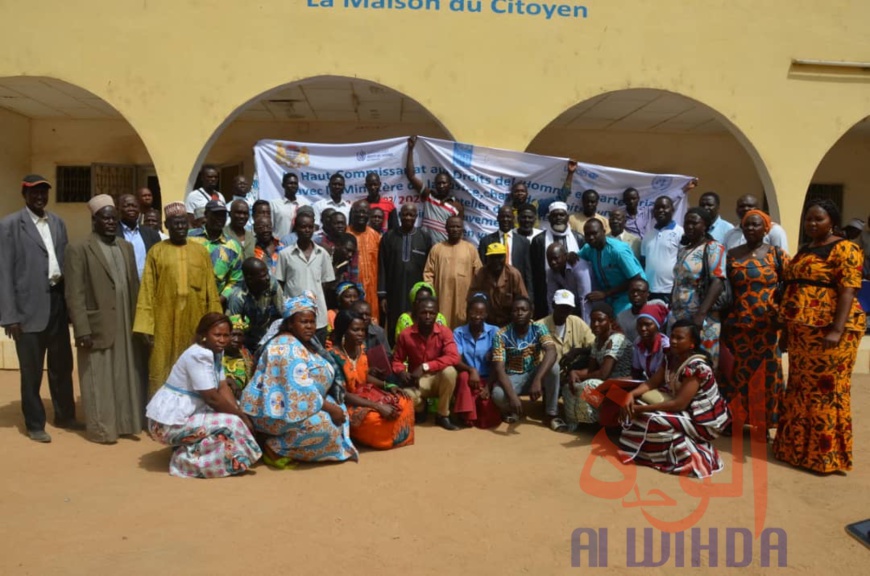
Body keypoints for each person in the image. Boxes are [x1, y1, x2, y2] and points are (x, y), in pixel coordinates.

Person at [774, 198, 865, 474]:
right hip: (803, 333)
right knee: (800, 389)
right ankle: (795, 449)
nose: (812, 224)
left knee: (826, 390)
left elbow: (848, 290)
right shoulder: (805, 250)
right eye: (809, 219)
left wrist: (836, 330)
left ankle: (824, 456)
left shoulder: (845, 248)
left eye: (818, 219)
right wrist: (788, 333)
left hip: (831, 332)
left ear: (832, 222)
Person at [0, 174, 78, 442]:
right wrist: (9, 316)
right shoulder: (10, 225)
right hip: (27, 310)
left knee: (62, 366)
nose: (39, 197)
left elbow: (66, 264)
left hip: (57, 302)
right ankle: (34, 424)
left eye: (43, 192)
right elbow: (4, 273)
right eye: (34, 193)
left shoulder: (58, 222)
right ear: (24, 195)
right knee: (31, 372)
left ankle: (65, 415)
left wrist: (70, 305)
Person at [242, 293, 359, 466]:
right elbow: (299, 390)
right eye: (304, 322)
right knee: (326, 429)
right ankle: (274, 446)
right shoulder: (286, 347)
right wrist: (330, 409)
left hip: (303, 404)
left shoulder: (308, 342)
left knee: (340, 416)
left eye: (312, 322)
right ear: (290, 323)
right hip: (276, 412)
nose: (309, 327)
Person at [65, 195, 142, 444]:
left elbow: (134, 287)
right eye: (105, 218)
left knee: (123, 376)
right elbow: (74, 293)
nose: (110, 222)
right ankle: (101, 429)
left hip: (124, 321)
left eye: (114, 218)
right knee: (97, 378)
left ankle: (124, 424)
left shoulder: (125, 247)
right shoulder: (78, 248)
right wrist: (81, 329)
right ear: (94, 220)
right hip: (96, 324)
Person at [146, 313, 261, 478]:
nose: (222, 340)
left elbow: (222, 386)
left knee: (235, 411)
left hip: (187, 414)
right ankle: (186, 461)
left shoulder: (216, 352)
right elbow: (212, 398)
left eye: (226, 335)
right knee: (232, 423)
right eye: (217, 335)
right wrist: (241, 418)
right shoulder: (198, 355)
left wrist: (239, 411)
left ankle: (195, 449)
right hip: (166, 424)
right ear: (204, 335)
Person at [618, 320, 732, 478]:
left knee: (650, 418)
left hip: (703, 420)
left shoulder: (698, 368)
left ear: (692, 343)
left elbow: (679, 404)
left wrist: (640, 409)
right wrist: (630, 395)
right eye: (672, 337)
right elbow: (652, 383)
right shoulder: (670, 357)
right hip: (685, 410)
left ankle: (688, 453)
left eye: (679, 338)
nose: (673, 341)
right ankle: (663, 450)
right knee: (635, 406)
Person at [133, 202, 222, 397]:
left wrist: (215, 324)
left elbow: (210, 290)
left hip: (195, 320)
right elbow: (147, 290)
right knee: (161, 366)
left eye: (183, 223)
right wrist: (145, 325)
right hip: (164, 320)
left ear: (188, 224)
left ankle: (191, 417)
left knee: (194, 367)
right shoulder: (156, 251)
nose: (180, 227)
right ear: (166, 225)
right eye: (175, 224)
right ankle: (158, 418)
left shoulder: (200, 252)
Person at [722, 209, 788, 436]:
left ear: (766, 229)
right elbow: (724, 288)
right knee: (740, 373)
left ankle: (765, 424)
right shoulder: (732, 255)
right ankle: (736, 421)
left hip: (768, 327)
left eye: (755, 225)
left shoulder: (776, 255)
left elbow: (790, 286)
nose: (750, 229)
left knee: (768, 374)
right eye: (747, 225)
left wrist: (781, 316)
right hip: (740, 325)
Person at [330, 309, 414, 449]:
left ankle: (391, 436)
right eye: (355, 330)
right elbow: (342, 394)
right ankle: (383, 438)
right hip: (347, 402)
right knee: (373, 418)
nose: (361, 334)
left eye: (363, 330)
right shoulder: (333, 356)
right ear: (343, 331)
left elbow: (363, 376)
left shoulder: (361, 349)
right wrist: (377, 406)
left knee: (405, 400)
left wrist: (388, 385)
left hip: (366, 395)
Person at [391, 297, 461, 430]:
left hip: (438, 379)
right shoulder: (406, 335)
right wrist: (401, 372)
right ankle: (421, 408)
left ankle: (442, 415)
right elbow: (397, 360)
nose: (428, 316)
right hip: (416, 382)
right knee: (405, 398)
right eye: (424, 312)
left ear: (437, 314)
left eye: (432, 313)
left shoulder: (444, 332)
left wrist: (425, 366)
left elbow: (453, 357)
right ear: (417, 313)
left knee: (450, 371)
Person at [560, 302, 633, 430]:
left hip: (619, 386)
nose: (595, 324)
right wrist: (575, 373)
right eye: (593, 321)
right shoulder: (597, 341)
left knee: (587, 385)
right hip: (604, 385)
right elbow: (592, 369)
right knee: (569, 386)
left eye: (600, 320)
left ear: (610, 321)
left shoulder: (616, 340)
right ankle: (573, 425)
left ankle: (596, 421)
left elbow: (603, 374)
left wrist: (579, 375)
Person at [670, 207, 727, 367]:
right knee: (682, 360)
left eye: (695, 223)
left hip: (702, 318)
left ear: (705, 226)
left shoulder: (713, 248)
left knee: (702, 362)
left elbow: (718, 281)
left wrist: (701, 314)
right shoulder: (683, 250)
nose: (689, 226)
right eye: (687, 223)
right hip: (680, 316)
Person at [490, 297, 559, 427]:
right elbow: (499, 368)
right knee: (498, 394)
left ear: (531, 313)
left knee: (554, 368)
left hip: (534, 373)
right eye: (515, 310)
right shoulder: (501, 335)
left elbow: (551, 351)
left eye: (523, 310)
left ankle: (551, 414)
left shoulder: (538, 328)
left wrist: (538, 379)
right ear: (511, 314)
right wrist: (512, 397)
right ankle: (513, 409)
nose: (520, 313)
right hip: (513, 376)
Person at [378, 202, 433, 344]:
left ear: (416, 217)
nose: (408, 217)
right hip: (394, 292)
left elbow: (429, 268)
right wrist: (383, 295)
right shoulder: (389, 237)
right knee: (394, 323)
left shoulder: (424, 238)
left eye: (411, 215)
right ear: (400, 216)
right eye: (405, 214)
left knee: (415, 323)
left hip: (417, 294)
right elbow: (382, 266)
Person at [275, 209, 335, 334]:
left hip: (318, 317)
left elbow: (327, 283)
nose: (307, 230)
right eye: (303, 227)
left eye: (310, 227)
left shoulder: (322, 254)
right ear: (296, 227)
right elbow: (280, 283)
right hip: (294, 316)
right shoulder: (285, 254)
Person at [423, 215, 482, 327]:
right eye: (452, 226)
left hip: (464, 299)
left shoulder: (471, 249)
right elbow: (428, 274)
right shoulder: (437, 249)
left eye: (458, 226)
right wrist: (432, 296)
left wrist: (474, 296)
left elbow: (478, 274)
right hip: (441, 297)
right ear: (446, 228)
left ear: (462, 229)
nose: (455, 229)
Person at [579, 219, 646, 315]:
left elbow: (636, 279)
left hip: (628, 296)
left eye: (594, 233)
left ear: (604, 232)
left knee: (621, 323)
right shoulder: (588, 248)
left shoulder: (618, 251)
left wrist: (606, 294)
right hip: (609, 297)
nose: (591, 237)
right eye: (587, 234)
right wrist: (571, 255)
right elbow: (577, 257)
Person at [452, 294, 500, 428]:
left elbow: (498, 362)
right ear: (467, 313)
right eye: (473, 312)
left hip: (488, 379)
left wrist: (488, 386)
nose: (476, 316)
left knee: (487, 417)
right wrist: (471, 370)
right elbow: (456, 359)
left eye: (481, 313)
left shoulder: (494, 331)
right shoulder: (459, 332)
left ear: (486, 315)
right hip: (468, 381)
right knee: (462, 377)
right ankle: (466, 416)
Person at [405, 135, 464, 243]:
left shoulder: (457, 206)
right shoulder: (429, 196)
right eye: (438, 183)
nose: (441, 185)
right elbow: (411, 176)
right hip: (424, 245)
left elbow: (459, 231)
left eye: (444, 183)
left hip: (444, 248)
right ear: (435, 185)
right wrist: (410, 149)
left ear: (450, 185)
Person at [531, 202, 584, 319]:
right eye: (555, 215)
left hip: (575, 292)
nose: (558, 218)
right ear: (549, 218)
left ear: (567, 217)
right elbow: (533, 270)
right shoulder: (538, 240)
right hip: (546, 293)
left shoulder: (579, 238)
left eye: (561, 215)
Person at [225, 257, 284, 352]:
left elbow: (283, 310)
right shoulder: (237, 297)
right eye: (263, 276)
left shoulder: (272, 284)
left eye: (267, 273)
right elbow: (235, 332)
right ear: (250, 279)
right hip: (244, 342)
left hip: (265, 337)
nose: (267, 278)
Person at [188, 200, 244, 299]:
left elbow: (236, 280)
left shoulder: (233, 246)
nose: (220, 219)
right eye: (216, 215)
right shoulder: (189, 237)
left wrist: (219, 300)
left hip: (216, 303)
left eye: (223, 215)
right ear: (206, 215)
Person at [540, 290, 595, 389]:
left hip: (572, 377)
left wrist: (578, 351)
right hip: (549, 380)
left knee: (587, 394)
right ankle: (551, 403)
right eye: (561, 306)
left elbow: (595, 346)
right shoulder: (539, 326)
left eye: (568, 307)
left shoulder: (577, 322)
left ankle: (600, 403)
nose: (564, 310)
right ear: (553, 305)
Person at [477, 205, 533, 299]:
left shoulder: (524, 242)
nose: (505, 219)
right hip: (493, 289)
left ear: (513, 219)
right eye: (502, 217)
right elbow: (482, 269)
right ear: (497, 218)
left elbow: (528, 272)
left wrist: (529, 297)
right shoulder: (486, 241)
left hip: (516, 287)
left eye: (508, 217)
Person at [468, 242, 528, 327]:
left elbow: (523, 300)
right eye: (492, 257)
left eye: (499, 257)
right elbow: (472, 298)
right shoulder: (480, 274)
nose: (496, 261)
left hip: (509, 323)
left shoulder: (513, 274)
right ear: (487, 258)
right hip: (486, 322)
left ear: (505, 257)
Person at [641, 196, 684, 303]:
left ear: (672, 210)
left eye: (664, 207)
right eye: (657, 208)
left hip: (671, 290)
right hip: (650, 291)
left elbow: (684, 263)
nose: (660, 210)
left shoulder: (681, 233)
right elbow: (643, 263)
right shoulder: (647, 236)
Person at [348, 200, 382, 323]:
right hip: (352, 290)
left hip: (373, 289)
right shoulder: (346, 235)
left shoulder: (376, 236)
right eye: (358, 212)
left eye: (365, 212)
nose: (361, 215)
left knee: (372, 323)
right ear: (353, 213)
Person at [545, 242, 593, 322]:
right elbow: (551, 298)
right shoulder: (551, 272)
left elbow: (585, 300)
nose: (553, 263)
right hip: (575, 305)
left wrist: (586, 327)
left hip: (594, 303)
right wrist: (553, 323)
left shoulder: (578, 268)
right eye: (550, 260)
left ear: (565, 256)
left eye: (556, 258)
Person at [723, 194, 789, 252]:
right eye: (742, 206)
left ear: (759, 209)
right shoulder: (730, 234)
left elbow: (782, 259)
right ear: (736, 210)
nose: (746, 209)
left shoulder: (774, 230)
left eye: (750, 206)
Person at [116, 193, 161, 279]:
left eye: (134, 206)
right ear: (118, 209)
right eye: (127, 206)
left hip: (146, 285)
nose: (131, 209)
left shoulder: (152, 235)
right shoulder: (113, 233)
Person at [631, 302, 670, 380]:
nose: (643, 328)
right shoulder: (638, 342)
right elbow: (636, 373)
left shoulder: (665, 347)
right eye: (640, 324)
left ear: (657, 326)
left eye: (648, 325)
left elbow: (660, 380)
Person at [271, 172, 311, 241]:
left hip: (300, 245)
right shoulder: (274, 204)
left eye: (295, 183)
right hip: (279, 245)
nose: (293, 186)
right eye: (290, 183)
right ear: (283, 185)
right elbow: (270, 227)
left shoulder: (304, 204)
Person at [223, 314, 254, 400]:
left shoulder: (246, 356)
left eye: (239, 335)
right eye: (233, 335)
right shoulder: (216, 355)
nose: (236, 339)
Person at [616, 278, 652, 342]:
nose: (635, 294)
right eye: (632, 291)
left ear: (648, 293)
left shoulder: (656, 312)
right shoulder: (621, 317)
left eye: (639, 291)